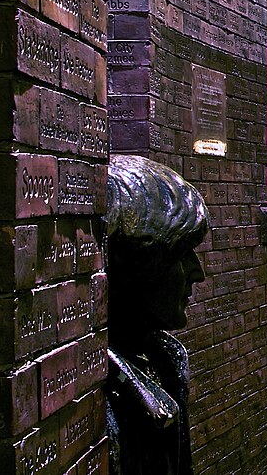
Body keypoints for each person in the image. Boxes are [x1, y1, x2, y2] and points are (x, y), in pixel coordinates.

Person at [102, 154, 209, 475]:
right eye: (180, 254)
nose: (198, 273)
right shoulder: (98, 393)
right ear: (137, 265)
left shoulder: (165, 359)